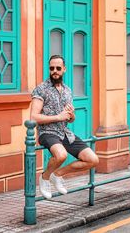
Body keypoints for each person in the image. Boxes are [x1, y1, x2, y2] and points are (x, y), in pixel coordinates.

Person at [30, 55, 99, 199]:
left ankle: (58, 174)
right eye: (51, 68)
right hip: (47, 132)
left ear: (64, 69)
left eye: (58, 68)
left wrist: (71, 116)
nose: (55, 71)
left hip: (65, 133)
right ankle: (45, 177)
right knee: (61, 155)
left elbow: (69, 117)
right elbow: (33, 117)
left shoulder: (68, 90)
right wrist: (58, 117)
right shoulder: (41, 89)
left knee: (92, 160)